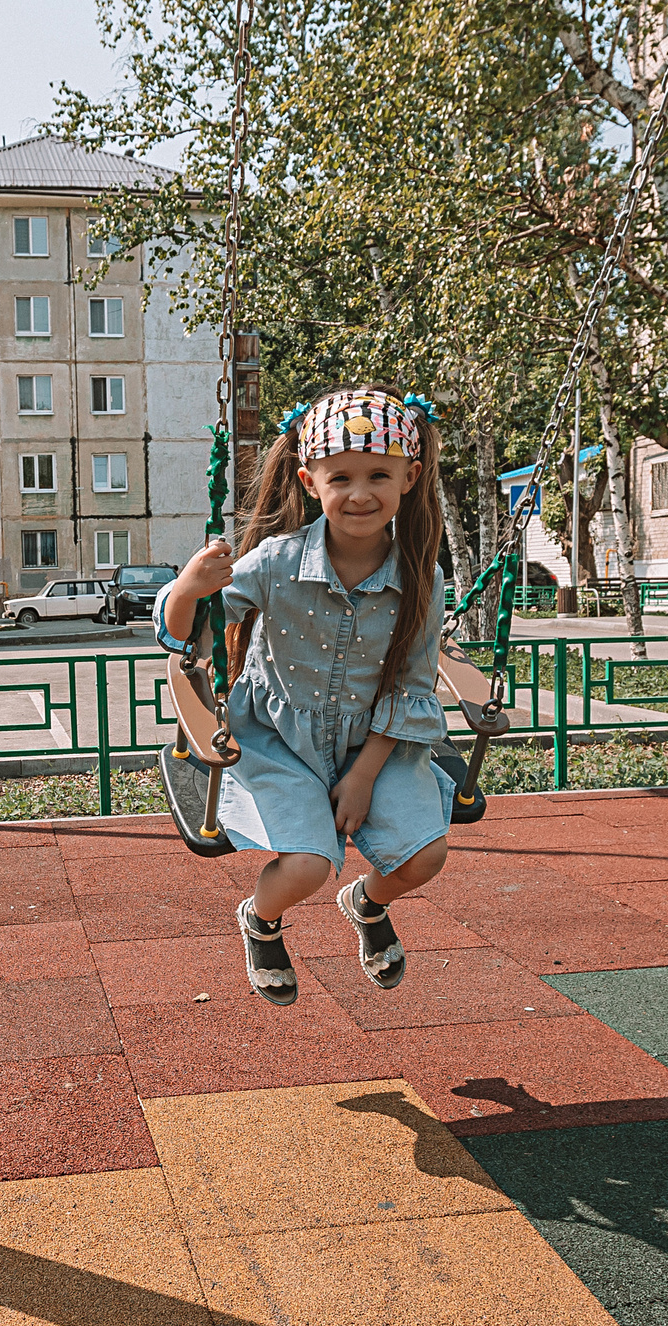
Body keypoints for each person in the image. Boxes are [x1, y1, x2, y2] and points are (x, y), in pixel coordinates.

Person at [157, 384, 451, 1004]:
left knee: (425, 857)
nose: (361, 493)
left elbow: (411, 684)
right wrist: (188, 589)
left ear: (410, 477)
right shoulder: (273, 561)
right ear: (310, 480)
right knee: (308, 865)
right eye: (340, 476)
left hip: (376, 740)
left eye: (380, 474)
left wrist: (366, 773)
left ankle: (366, 905)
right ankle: (261, 920)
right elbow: (189, 636)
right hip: (277, 739)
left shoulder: (422, 577)